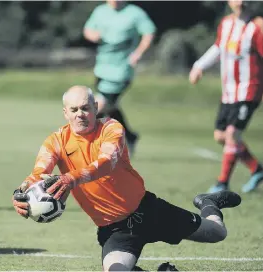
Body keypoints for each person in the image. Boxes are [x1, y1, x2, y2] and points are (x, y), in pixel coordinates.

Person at [12, 86, 242, 271]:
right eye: (74, 110)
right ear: (65, 113)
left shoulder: (111, 128)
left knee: (217, 233)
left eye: (85, 108)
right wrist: (22, 192)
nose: (80, 114)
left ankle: (208, 202)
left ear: (96, 107)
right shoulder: (56, 141)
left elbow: (106, 163)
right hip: (115, 230)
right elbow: (38, 172)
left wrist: (72, 178)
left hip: (149, 211)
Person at [189, 0, 263, 194]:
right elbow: (218, 48)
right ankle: (256, 169)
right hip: (229, 91)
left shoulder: (257, 27)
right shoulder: (226, 24)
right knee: (221, 136)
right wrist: (199, 66)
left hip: (249, 90)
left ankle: (222, 183)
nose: (240, 2)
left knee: (232, 134)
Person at [83, 0, 156, 156]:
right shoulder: (100, 11)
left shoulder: (135, 13)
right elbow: (87, 30)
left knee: (99, 106)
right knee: (110, 107)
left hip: (122, 71)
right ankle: (129, 136)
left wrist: (138, 53)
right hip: (102, 69)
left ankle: (86, 144)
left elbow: (149, 33)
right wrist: (93, 35)